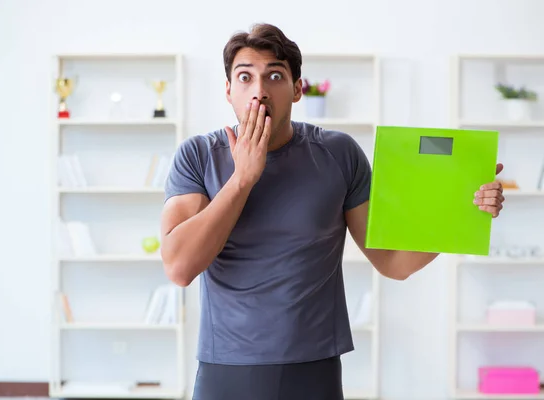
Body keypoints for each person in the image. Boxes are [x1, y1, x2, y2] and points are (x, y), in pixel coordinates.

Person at [160, 23, 505, 400]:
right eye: (245, 77)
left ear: (296, 89)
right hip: (226, 369)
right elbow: (179, 268)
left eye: (274, 75)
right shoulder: (197, 156)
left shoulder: (338, 153)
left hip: (315, 370)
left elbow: (393, 261)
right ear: (228, 90)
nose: (259, 90)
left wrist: (463, 209)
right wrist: (242, 179)